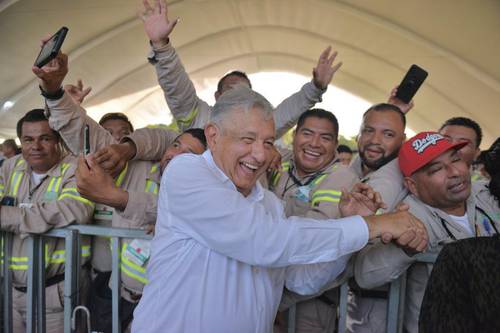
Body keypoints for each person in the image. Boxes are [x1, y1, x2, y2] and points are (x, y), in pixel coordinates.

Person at [131, 85, 428, 332]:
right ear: (212, 135)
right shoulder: (188, 172)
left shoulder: (269, 204)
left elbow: (301, 279)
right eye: (247, 139)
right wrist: (373, 226)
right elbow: (264, 241)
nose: (260, 154)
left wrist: (354, 225)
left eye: (268, 142)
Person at [32, 49, 206, 332]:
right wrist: (53, 91)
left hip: (172, 304)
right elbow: (88, 134)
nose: (175, 156)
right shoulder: (137, 169)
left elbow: (180, 210)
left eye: (190, 154)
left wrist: (123, 200)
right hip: (120, 293)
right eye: (175, 146)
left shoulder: (208, 197)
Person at [354, 131, 500, 333]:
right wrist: (405, 250)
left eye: (456, 160)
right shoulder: (409, 216)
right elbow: (365, 276)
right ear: (413, 186)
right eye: (437, 169)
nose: (455, 172)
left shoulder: (488, 193)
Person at [140, 0, 342, 138]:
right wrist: (162, 46)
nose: (238, 95)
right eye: (230, 89)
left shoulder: (261, 123)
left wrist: (316, 87)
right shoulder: (198, 116)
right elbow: (176, 87)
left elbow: (288, 112)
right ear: (217, 96)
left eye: (244, 91)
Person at [0, 109, 94, 333]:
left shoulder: (76, 168)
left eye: (45, 138)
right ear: (21, 141)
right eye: (28, 139)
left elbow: (75, 209)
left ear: (58, 140)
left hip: (57, 293)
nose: (36, 146)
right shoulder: (11, 166)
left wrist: (7, 216)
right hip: (12, 290)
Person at [269, 109, 359, 332]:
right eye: (307, 134)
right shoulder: (278, 164)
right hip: (266, 294)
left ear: (335, 144)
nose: (315, 143)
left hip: (309, 303)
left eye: (325, 138)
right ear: (295, 136)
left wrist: (276, 303)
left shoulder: (342, 178)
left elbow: (313, 242)